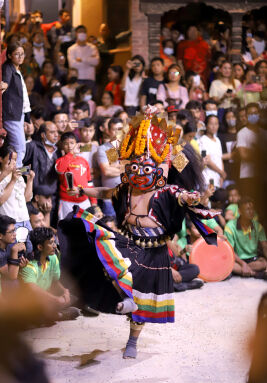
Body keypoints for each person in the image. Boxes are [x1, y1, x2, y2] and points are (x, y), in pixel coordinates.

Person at [58, 105, 218, 359]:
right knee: (106, 256)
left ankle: (132, 340)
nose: (141, 167)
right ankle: (124, 297)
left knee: (142, 300)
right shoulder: (126, 186)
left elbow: (182, 185)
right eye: (136, 164)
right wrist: (82, 191)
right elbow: (104, 189)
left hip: (154, 249)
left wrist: (159, 122)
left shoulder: (166, 181)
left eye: (148, 163)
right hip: (130, 240)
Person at [19, 227, 80, 321]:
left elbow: (55, 281)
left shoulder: (53, 258)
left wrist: (65, 291)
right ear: (40, 247)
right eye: (51, 243)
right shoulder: (29, 265)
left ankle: (54, 313)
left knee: (72, 298)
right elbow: (33, 290)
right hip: (32, 301)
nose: (55, 246)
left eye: (54, 242)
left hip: (47, 297)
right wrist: (55, 299)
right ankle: (58, 315)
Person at [2, 42, 31, 167]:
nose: (20, 57)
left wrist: (27, 117)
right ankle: (16, 175)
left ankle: (14, 174)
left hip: (20, 114)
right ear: (9, 56)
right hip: (12, 113)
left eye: (22, 54)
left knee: (17, 146)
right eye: (16, 54)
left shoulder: (18, 70)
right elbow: (6, 81)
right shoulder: (8, 67)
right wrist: (5, 85)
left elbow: (23, 97)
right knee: (20, 146)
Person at [55, 132, 96, 220]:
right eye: (66, 143)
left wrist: (93, 201)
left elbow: (89, 182)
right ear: (62, 145)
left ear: (76, 144)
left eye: (72, 143)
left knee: (88, 229)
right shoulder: (60, 161)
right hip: (67, 203)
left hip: (85, 202)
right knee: (67, 230)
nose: (69, 146)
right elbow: (60, 170)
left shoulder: (83, 161)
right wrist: (71, 154)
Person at [224, 197, 267, 279]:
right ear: (240, 211)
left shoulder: (258, 226)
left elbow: (265, 246)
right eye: (247, 209)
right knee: (228, 264)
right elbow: (230, 250)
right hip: (237, 260)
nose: (251, 212)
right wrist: (243, 264)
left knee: (264, 263)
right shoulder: (230, 226)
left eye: (252, 209)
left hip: (253, 260)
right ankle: (255, 274)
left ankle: (245, 271)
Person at [0, 145, 34, 235]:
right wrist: (13, 180)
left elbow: (27, 199)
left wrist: (30, 180)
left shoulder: (17, 175)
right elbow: (1, 200)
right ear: (1, 159)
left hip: (25, 220)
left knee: (29, 248)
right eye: (11, 159)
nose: (14, 162)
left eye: (15, 159)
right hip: (10, 224)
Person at [236, 102, 260, 196]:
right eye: (251, 114)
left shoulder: (264, 133)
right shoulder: (242, 133)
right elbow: (243, 155)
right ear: (246, 116)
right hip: (248, 176)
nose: (253, 115)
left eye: (256, 113)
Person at [0, 215, 27, 295]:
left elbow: (13, 268)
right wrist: (14, 251)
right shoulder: (12, 247)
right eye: (11, 232)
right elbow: (11, 276)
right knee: (13, 284)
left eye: (14, 230)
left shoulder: (11, 242)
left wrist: (21, 264)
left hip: (8, 276)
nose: (15, 234)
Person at [67, 25, 99, 90]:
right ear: (76, 34)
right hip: (77, 79)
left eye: (84, 32)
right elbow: (72, 65)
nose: (82, 34)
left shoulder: (93, 48)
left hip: (90, 79)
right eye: (80, 32)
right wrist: (89, 61)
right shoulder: (71, 49)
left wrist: (81, 59)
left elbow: (96, 62)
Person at [198, 115, 225, 188]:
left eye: (216, 124)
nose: (214, 126)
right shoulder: (202, 140)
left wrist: (221, 176)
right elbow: (206, 160)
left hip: (218, 178)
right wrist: (221, 172)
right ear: (206, 126)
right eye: (211, 124)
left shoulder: (218, 140)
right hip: (208, 178)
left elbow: (220, 158)